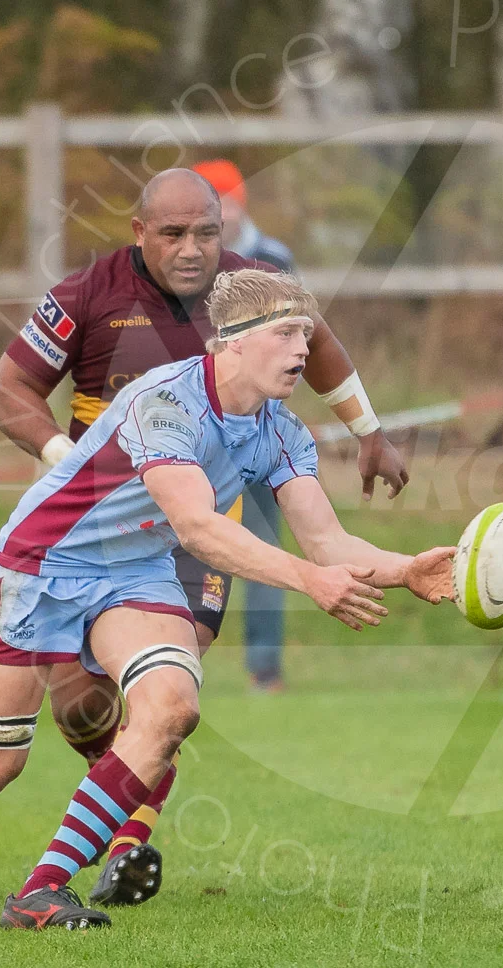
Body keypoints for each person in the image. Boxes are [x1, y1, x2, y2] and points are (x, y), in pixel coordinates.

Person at [0, 269, 455, 930]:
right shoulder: (165, 402)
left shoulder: (283, 433)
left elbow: (328, 543)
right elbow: (199, 527)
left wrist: (409, 571)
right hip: (42, 563)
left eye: (307, 335)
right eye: (287, 333)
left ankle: (41, 891)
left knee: (172, 709)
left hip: (132, 571)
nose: (303, 351)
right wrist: (308, 582)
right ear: (230, 340)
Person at [0, 168, 408, 906]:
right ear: (139, 232)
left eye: (206, 232)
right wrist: (68, 464)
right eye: (173, 233)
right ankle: (105, 829)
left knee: (170, 693)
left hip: (198, 531)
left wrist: (367, 433)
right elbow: (6, 394)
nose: (191, 248)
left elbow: (323, 341)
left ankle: (122, 849)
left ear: (224, 228)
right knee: (81, 709)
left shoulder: (251, 291)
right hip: (96, 531)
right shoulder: (86, 295)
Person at [192, 159, 298, 693]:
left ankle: (265, 666)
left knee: (263, 549)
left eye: (218, 206)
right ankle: (172, 660)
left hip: (258, 430)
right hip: (201, 430)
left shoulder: (274, 260)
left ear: (238, 204)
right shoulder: (194, 263)